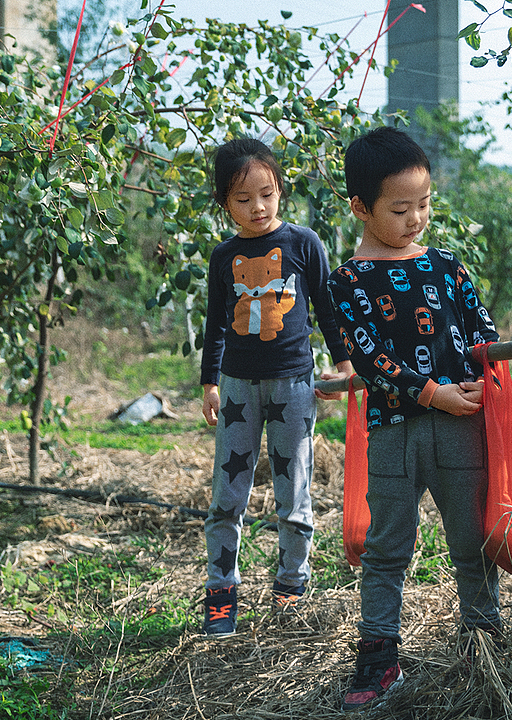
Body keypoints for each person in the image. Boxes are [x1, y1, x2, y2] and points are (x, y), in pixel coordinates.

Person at [327, 126, 502, 711]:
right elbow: (371, 359)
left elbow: (480, 331)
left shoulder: (447, 268)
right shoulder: (347, 283)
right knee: (387, 548)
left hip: (460, 428)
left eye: (424, 204)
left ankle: (483, 646)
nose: (416, 220)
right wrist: (433, 393)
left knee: (471, 539)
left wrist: (484, 370)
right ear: (361, 208)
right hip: (394, 432)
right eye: (400, 210)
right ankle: (379, 660)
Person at [199, 138, 353, 637]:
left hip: (294, 386)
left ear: (280, 190)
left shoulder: (304, 244)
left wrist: (344, 365)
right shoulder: (224, 257)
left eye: (266, 194)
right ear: (224, 203)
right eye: (243, 199)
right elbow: (215, 325)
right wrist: (209, 383)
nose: (258, 207)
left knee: (294, 495)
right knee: (227, 497)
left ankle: (291, 588)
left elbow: (327, 311)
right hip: (237, 389)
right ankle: (221, 593)